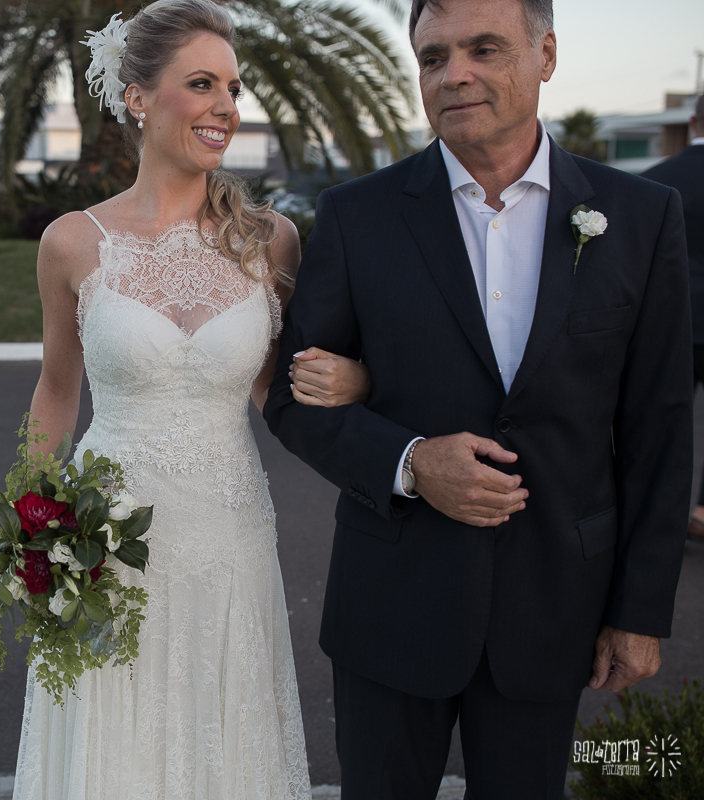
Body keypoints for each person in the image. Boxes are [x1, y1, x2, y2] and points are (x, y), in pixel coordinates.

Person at [263, 0, 692, 797]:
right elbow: (293, 400)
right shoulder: (358, 216)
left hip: (555, 606)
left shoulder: (639, 217)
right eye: (433, 57)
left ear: (547, 54)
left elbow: (659, 427)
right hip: (391, 610)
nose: (454, 74)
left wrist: (640, 607)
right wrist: (411, 463)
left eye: (484, 49)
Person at [11, 2, 371, 797]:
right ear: (138, 97)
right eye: (201, 83)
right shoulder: (73, 241)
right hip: (102, 547)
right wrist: (30, 529)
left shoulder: (269, 240)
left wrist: (357, 381)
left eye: (233, 88)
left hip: (229, 537)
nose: (225, 107)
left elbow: (285, 387)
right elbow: (57, 388)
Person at [642, 94, 704, 542]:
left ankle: (659, 516)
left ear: (692, 120)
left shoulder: (658, 181)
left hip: (671, 320)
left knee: (659, 422)